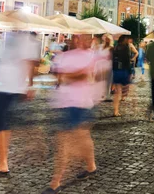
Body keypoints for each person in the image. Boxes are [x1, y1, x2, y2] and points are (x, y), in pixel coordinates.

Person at [43, 34, 99, 194]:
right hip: (66, 102)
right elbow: (56, 73)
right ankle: (91, 166)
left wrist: (66, 74)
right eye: (80, 37)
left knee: (65, 142)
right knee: (83, 138)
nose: (82, 40)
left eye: (87, 38)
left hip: (80, 103)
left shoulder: (89, 55)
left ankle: (56, 182)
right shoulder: (66, 55)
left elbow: (83, 74)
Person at [0, 32, 35, 178]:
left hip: (10, 88)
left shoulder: (23, 40)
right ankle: (3, 162)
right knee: (2, 124)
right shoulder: (12, 38)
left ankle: (3, 164)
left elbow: (29, 62)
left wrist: (29, 86)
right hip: (6, 87)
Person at [111, 35, 132, 117]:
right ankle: (116, 110)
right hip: (123, 70)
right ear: (124, 40)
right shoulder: (125, 48)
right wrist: (130, 72)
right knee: (122, 89)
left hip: (116, 70)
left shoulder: (115, 47)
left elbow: (112, 59)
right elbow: (127, 60)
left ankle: (116, 110)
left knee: (117, 91)